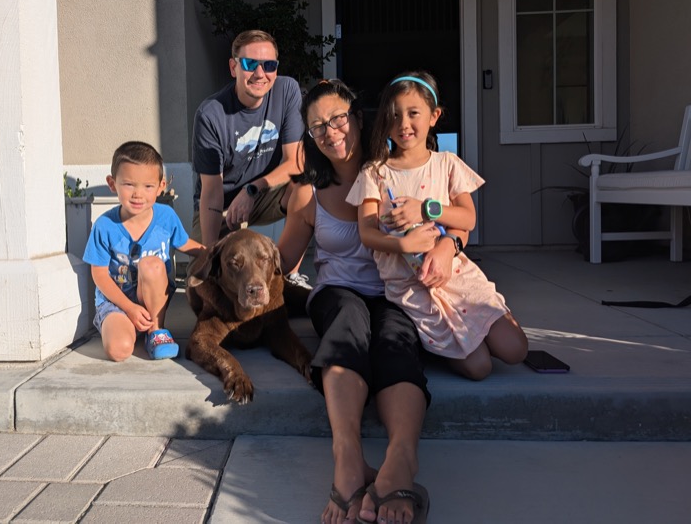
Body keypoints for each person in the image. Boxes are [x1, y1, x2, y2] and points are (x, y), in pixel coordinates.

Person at [278, 79, 437, 524]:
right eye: (317, 127)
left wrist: (448, 245)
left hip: (393, 291)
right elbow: (283, 261)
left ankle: (400, 459)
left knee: (395, 336)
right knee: (349, 319)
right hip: (335, 293)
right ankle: (347, 459)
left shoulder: (392, 175)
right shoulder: (307, 192)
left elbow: (445, 221)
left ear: (357, 117)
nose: (330, 132)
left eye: (337, 118)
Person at [346, 71, 529, 381]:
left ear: (434, 116)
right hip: (412, 286)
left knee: (515, 350)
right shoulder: (374, 173)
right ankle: (444, 344)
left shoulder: (446, 164)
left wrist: (426, 209)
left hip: (456, 275)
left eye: (413, 113)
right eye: (394, 115)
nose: (404, 124)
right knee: (479, 368)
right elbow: (367, 233)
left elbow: (467, 218)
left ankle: (473, 333)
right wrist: (404, 244)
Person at [191, 29, 310, 288]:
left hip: (258, 195)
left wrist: (252, 190)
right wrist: (212, 257)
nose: (260, 74)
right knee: (201, 280)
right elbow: (211, 192)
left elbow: (296, 163)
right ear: (234, 67)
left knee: (305, 187)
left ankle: (290, 276)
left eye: (269, 65)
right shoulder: (211, 114)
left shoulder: (287, 91)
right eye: (249, 64)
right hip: (219, 206)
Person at [84, 141, 204, 362]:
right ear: (112, 183)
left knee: (152, 264)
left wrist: (213, 253)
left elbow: (186, 244)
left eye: (148, 186)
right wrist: (129, 308)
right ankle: (128, 326)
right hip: (117, 303)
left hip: (152, 296)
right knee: (118, 351)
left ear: (161, 186)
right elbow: (99, 274)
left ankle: (155, 331)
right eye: (129, 184)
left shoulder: (166, 217)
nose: (138, 194)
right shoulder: (104, 226)